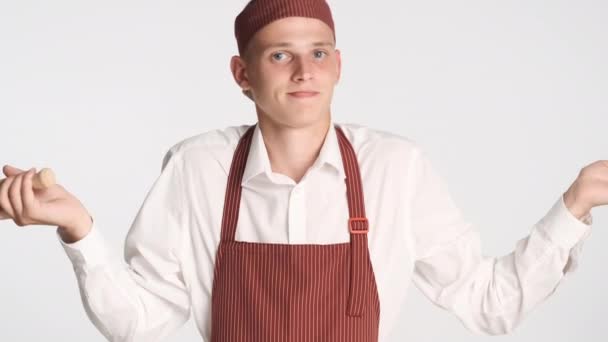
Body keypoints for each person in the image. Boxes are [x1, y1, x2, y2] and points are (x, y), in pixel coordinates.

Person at [1, 0, 605, 341]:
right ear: (243, 75)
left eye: (318, 53)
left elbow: (488, 304)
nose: (303, 71)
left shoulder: (395, 168)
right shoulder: (198, 167)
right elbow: (138, 321)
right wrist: (79, 229)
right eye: (279, 54)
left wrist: (575, 206)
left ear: (339, 65)